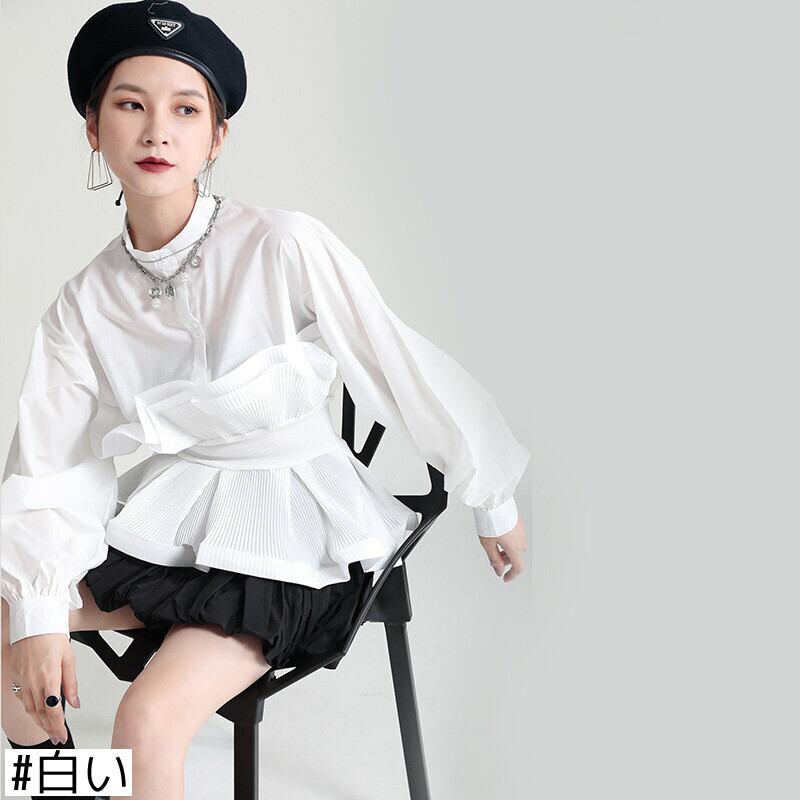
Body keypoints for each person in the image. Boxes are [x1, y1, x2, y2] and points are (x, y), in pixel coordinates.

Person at [0, 2, 531, 798]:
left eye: (186, 110)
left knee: (146, 721)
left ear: (217, 137)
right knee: (10, 621)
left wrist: (492, 495)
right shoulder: (83, 304)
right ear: (93, 128)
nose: (157, 132)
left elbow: (395, 362)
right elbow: (51, 465)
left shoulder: (283, 244)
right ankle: (64, 779)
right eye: (131, 105)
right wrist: (38, 615)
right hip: (179, 517)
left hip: (294, 535)